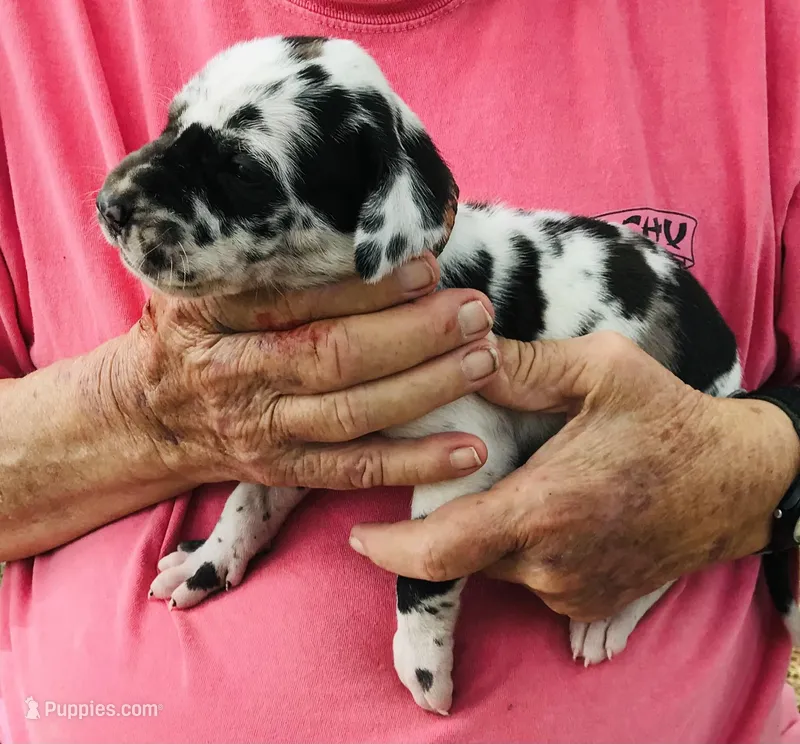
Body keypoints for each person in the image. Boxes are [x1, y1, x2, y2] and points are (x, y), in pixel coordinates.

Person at [0, 0, 798, 741]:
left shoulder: (435, 292)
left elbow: (468, 447)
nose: (122, 193)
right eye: (175, 125)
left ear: (386, 218)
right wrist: (186, 471)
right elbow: (294, 429)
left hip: (677, 364)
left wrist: (744, 471)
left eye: (240, 174)